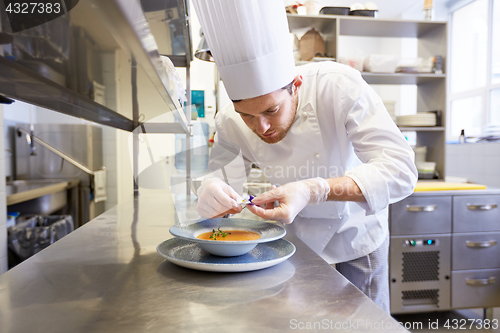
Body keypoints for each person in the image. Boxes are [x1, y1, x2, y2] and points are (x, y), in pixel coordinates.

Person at [192, 0, 417, 314]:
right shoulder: (230, 119)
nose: (262, 127)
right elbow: (221, 182)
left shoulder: (338, 86)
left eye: (271, 110)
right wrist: (210, 193)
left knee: (365, 324)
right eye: (248, 116)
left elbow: (401, 171)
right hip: (295, 243)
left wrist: (316, 190)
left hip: (357, 237)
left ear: (295, 85)